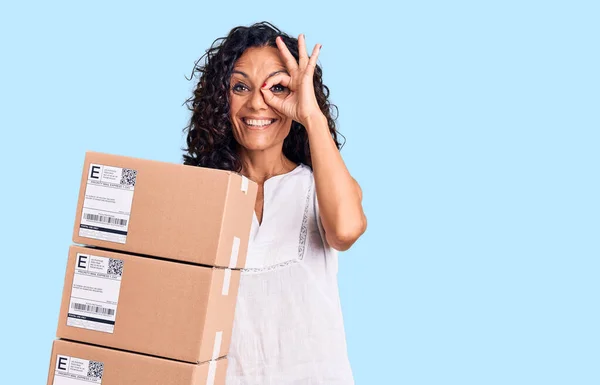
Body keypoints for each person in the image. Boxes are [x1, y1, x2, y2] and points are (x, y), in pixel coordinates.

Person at [182, 21, 367, 385]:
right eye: (240, 87)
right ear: (221, 99)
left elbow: (345, 230)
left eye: (278, 88)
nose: (257, 103)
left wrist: (311, 115)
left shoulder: (321, 187)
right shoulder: (196, 194)